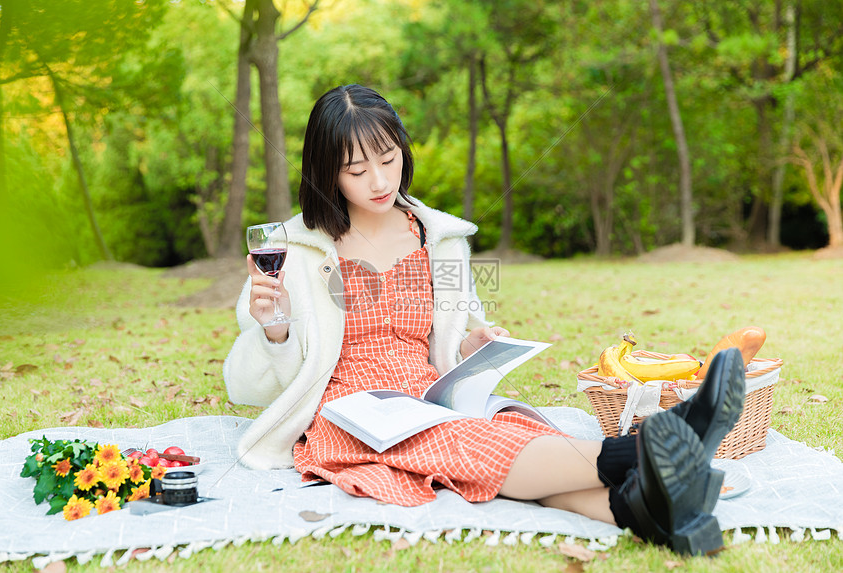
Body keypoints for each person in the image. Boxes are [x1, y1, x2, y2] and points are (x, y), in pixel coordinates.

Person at [223, 84, 746, 555]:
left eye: (388, 159)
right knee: (465, 442)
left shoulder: (437, 238)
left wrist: (476, 342)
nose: (380, 181)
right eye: (357, 171)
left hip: (426, 395)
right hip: (349, 412)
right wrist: (274, 327)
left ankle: (648, 513)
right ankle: (654, 446)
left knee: (500, 434)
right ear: (326, 173)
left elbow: (456, 330)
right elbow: (246, 384)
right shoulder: (294, 247)